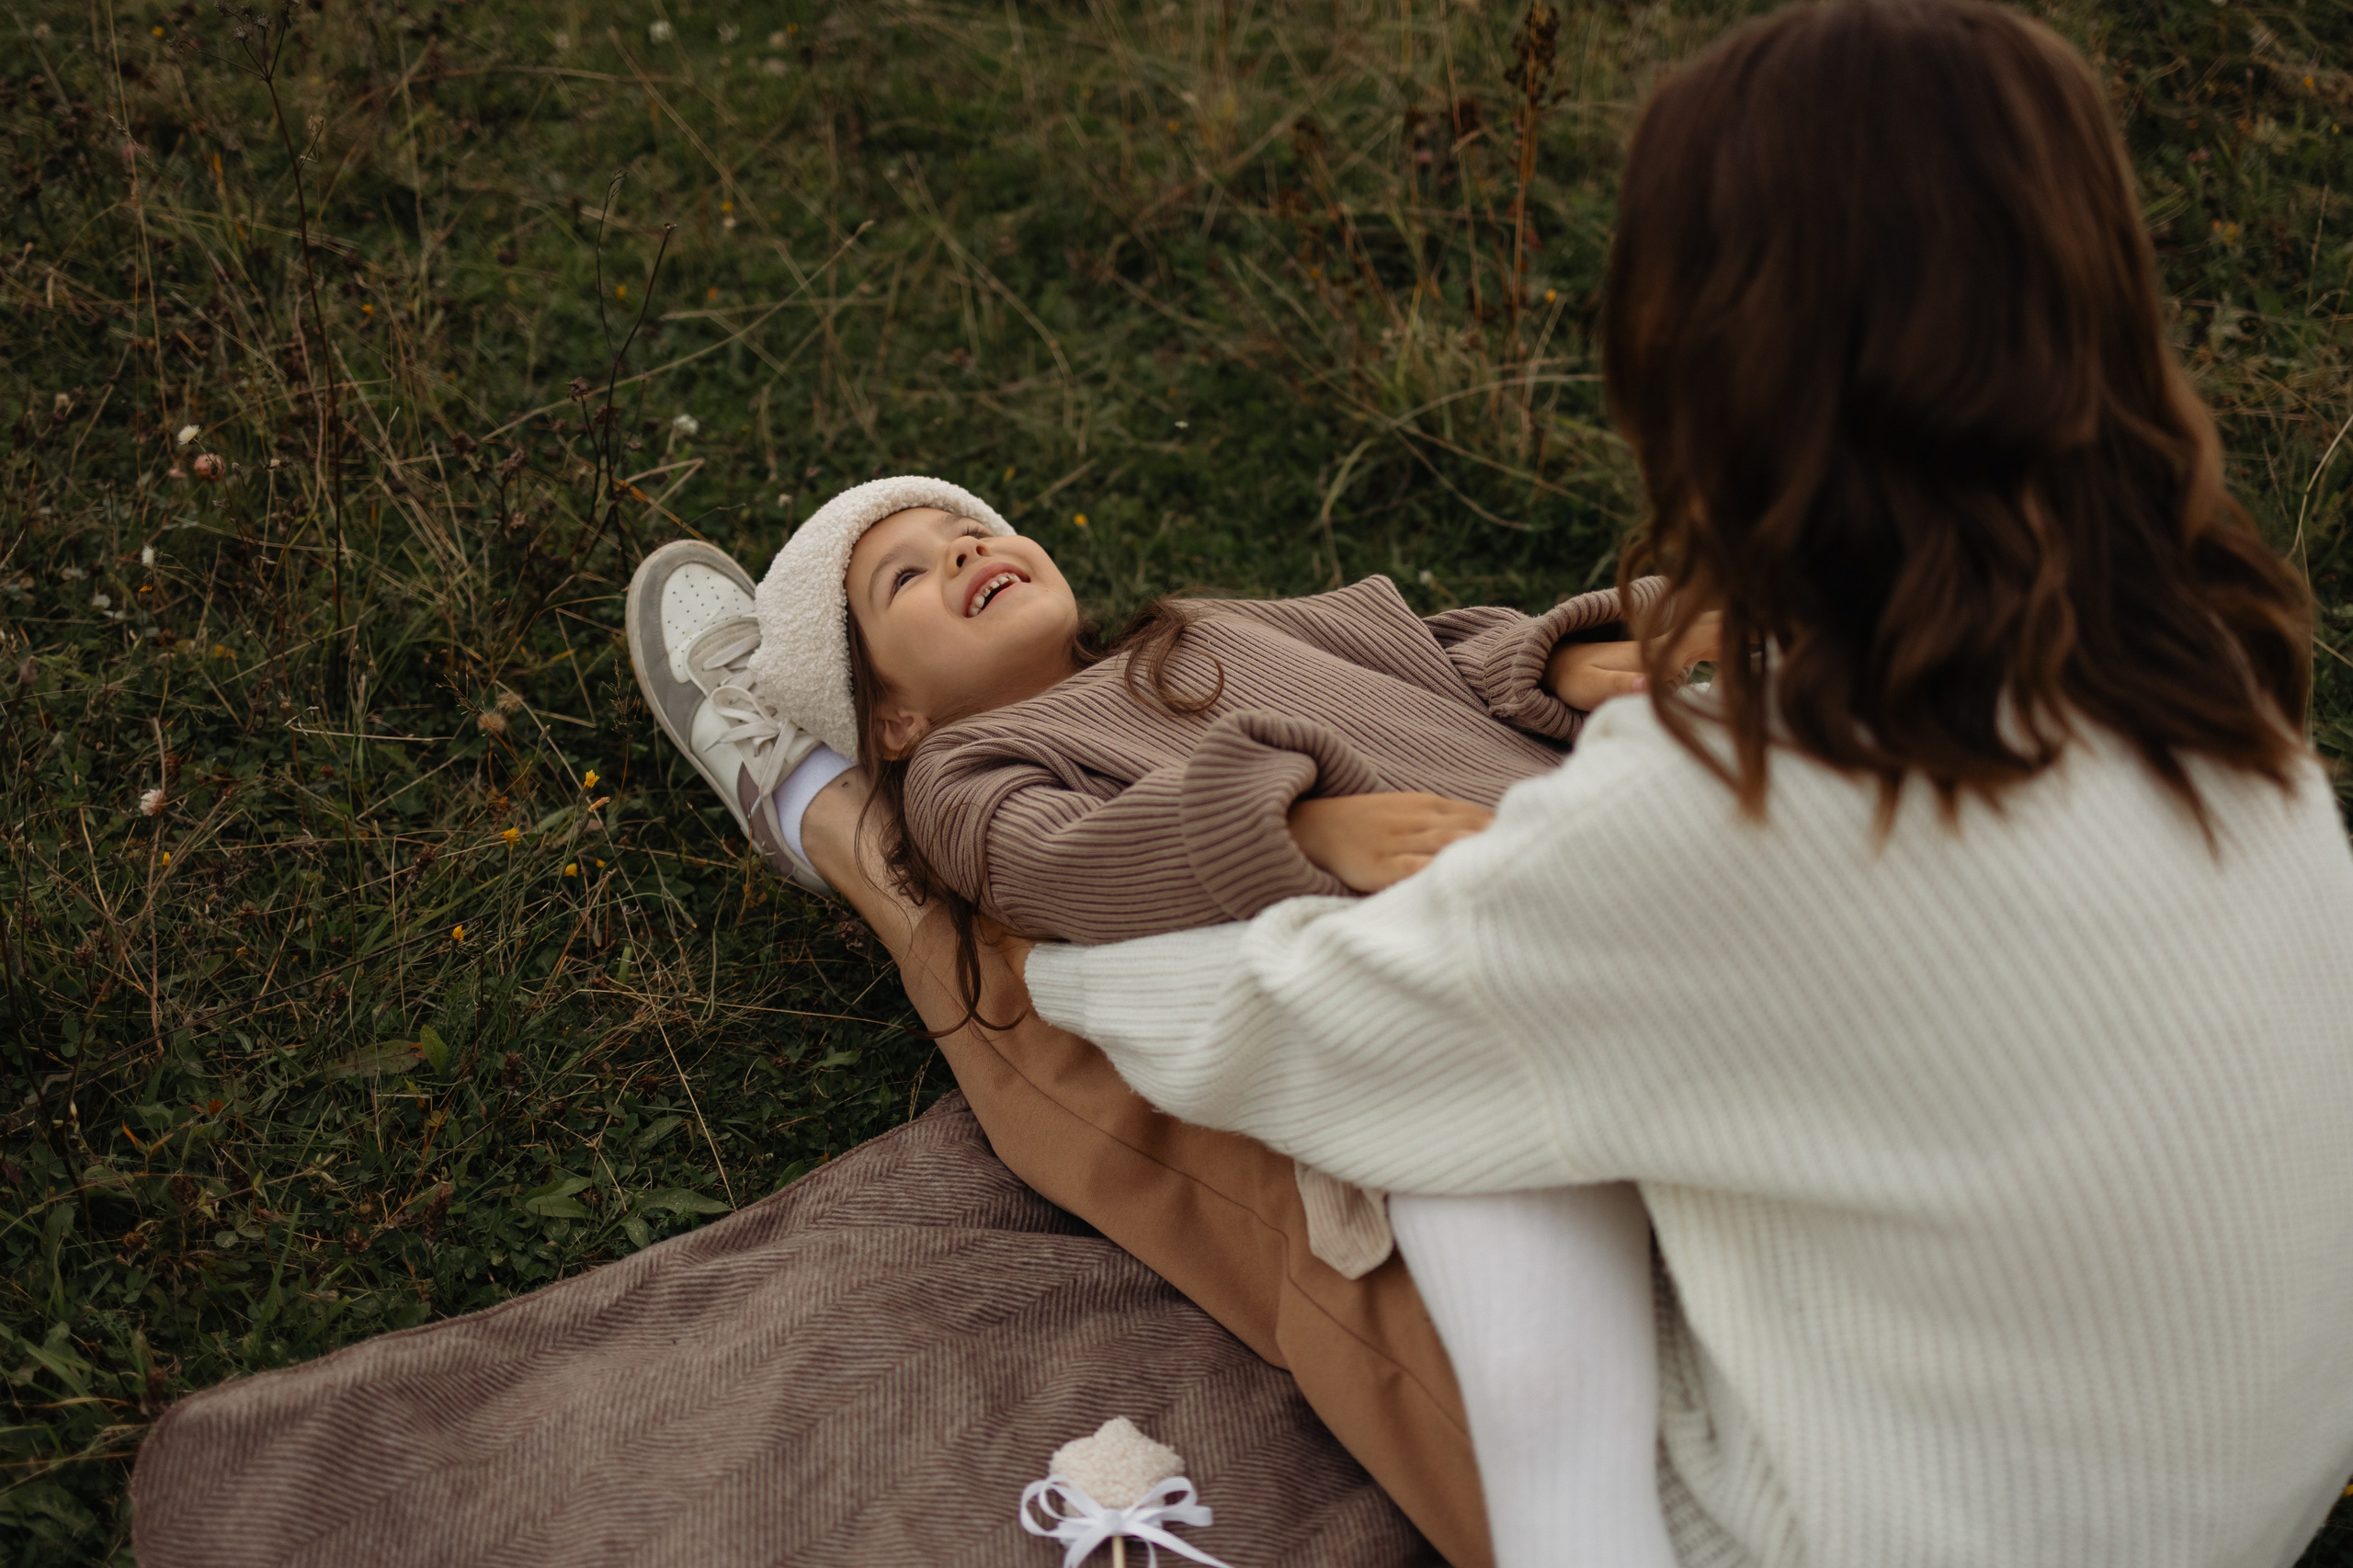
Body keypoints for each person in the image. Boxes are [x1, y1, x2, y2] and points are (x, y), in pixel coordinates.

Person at [1004, 3, 2353, 1565]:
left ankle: (808, 795)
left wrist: (1054, 964)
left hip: (1890, 1529)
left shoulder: (1744, 805)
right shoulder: (2213, 687)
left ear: (1703, 349)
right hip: (2245, 1491)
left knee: (1410, 1141)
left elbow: (1292, 1033)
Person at [629, 480, 1714, 1567]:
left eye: (969, 529)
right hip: (1445, 971)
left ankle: (811, 794)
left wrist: (1556, 663)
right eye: (903, 576)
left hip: (1595, 865)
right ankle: (825, 797)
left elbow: (1423, 652)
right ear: (897, 719)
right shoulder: (967, 775)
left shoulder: (1210, 629)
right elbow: (1060, 860)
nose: (963, 550)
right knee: (981, 946)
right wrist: (1303, 821)